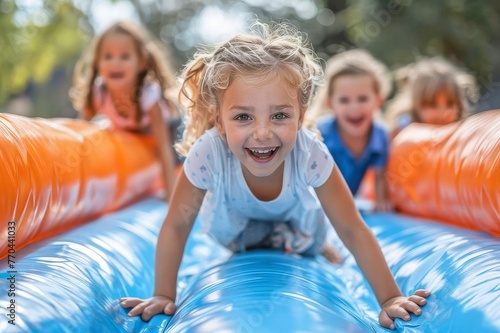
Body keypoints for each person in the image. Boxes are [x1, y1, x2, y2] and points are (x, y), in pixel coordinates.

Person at [120, 22, 430, 330]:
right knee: (249, 241)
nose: (263, 132)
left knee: (312, 239)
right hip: (235, 235)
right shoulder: (209, 152)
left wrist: (390, 298)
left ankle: (317, 246)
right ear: (219, 118)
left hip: (300, 228)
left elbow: (351, 228)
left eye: (280, 115)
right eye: (243, 117)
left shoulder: (310, 153)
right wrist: (162, 294)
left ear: (301, 113)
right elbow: (176, 224)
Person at [69, 21, 182, 201]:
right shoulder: (100, 93)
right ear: (98, 62)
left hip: (171, 128)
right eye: (108, 56)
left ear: (142, 62)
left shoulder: (147, 95)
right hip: (130, 129)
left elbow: (164, 147)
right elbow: (79, 129)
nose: (115, 63)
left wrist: (171, 195)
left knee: (180, 154)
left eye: (124, 56)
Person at [310, 49, 392, 212]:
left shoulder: (379, 135)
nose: (354, 108)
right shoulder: (320, 134)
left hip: (342, 206)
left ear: (378, 101)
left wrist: (382, 201)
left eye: (362, 99)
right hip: (315, 202)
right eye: (344, 100)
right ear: (330, 103)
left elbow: (379, 175)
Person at [385, 57, 478, 138]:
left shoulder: (460, 133)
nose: (442, 112)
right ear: (416, 107)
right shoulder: (404, 126)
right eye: (432, 104)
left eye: (450, 104)